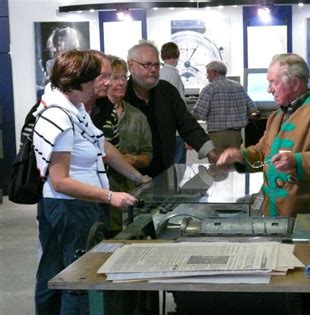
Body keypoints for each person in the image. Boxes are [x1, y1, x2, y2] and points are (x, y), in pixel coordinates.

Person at [32, 50, 150, 315]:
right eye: (98, 77)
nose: (105, 83)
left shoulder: (75, 111)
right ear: (78, 81)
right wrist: (110, 197)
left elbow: (101, 146)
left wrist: (136, 176)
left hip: (79, 206)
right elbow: (60, 181)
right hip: (71, 208)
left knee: (60, 274)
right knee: (77, 281)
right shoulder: (58, 116)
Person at [217, 53, 310, 217]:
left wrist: (298, 162)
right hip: (279, 216)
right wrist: (239, 156)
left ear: (295, 83)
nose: (269, 89)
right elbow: (263, 153)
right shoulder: (276, 116)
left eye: (274, 82)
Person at [124, 41, 218, 177]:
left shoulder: (167, 91)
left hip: (164, 174)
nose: (153, 70)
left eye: (156, 65)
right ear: (131, 66)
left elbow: (187, 123)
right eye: (147, 65)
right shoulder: (121, 96)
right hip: (130, 177)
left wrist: (211, 152)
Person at [106, 55, 153, 192]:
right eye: (115, 78)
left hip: (128, 189)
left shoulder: (137, 116)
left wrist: (132, 159)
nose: (121, 83)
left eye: (123, 77)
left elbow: (147, 155)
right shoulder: (92, 114)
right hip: (100, 191)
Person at [192, 60, 258, 154]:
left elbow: (199, 114)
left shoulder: (209, 88)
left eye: (208, 72)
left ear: (214, 72)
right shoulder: (238, 86)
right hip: (236, 135)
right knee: (234, 166)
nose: (207, 76)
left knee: (218, 165)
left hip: (217, 136)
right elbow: (253, 110)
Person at [159, 41, 187, 164]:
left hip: (162, 130)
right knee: (177, 170)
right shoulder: (174, 76)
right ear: (178, 55)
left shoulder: (159, 74)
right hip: (176, 132)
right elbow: (180, 107)